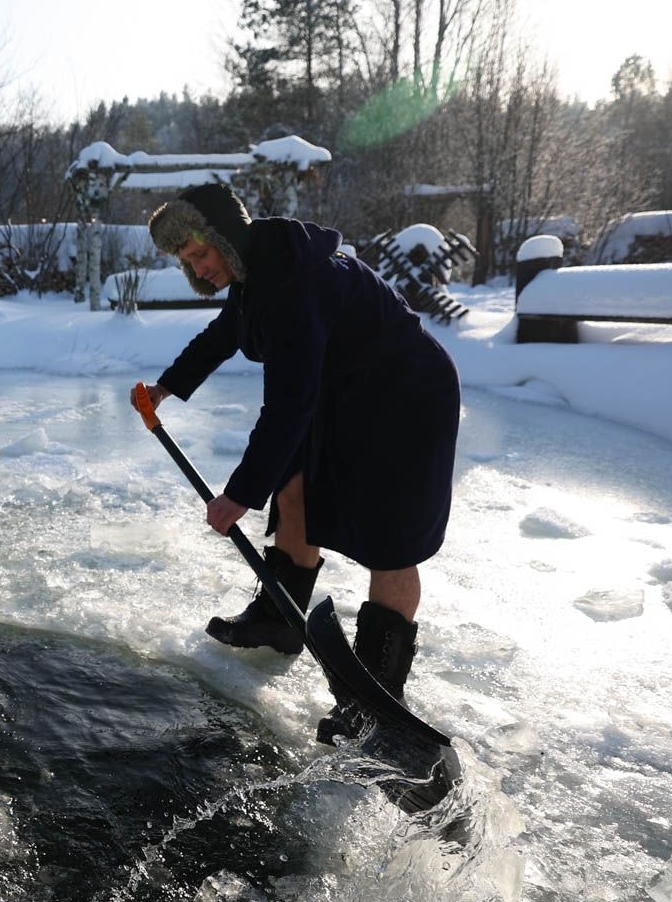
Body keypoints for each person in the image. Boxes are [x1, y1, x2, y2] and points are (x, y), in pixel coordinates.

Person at [130, 183, 459, 744]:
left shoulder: (294, 285)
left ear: (225, 240)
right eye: (188, 262)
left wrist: (237, 494)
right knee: (293, 485)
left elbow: (287, 408)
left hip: (407, 396)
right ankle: (280, 619)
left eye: (201, 255)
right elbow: (224, 333)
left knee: (391, 539)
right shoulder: (254, 275)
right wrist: (167, 386)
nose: (199, 269)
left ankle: (376, 693)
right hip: (349, 392)